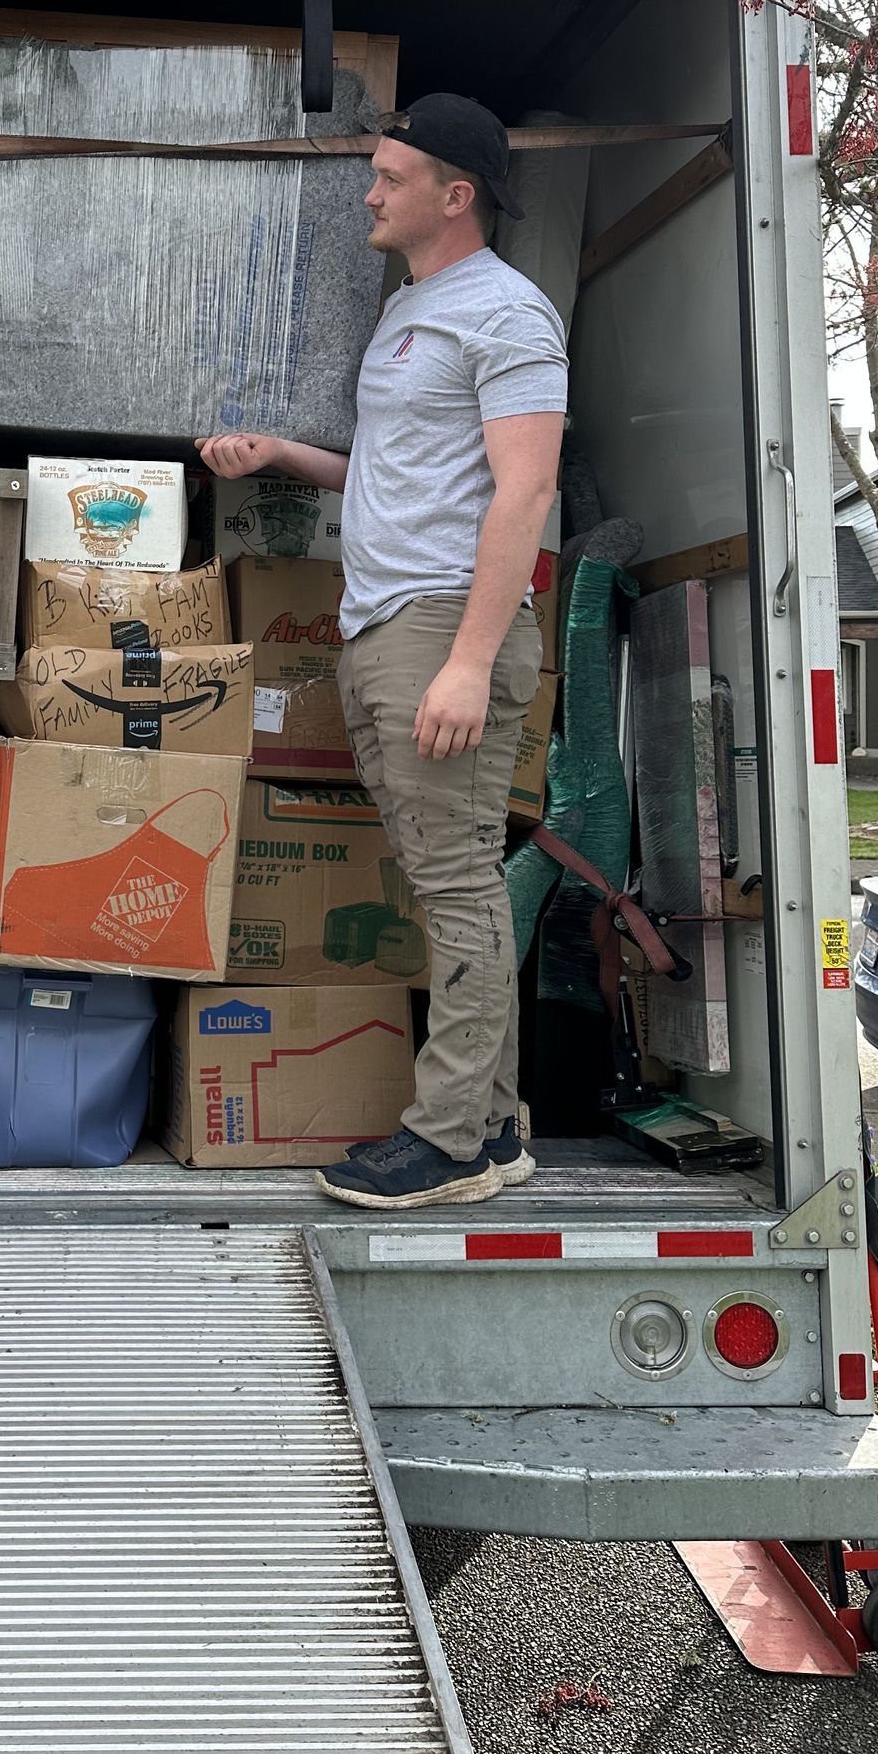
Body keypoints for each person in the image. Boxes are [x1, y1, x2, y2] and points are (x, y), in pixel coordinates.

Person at [200, 93, 566, 1209]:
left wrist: (468, 658)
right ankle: (493, 1126)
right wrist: (288, 456)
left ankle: (448, 1140)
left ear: (456, 196)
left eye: (390, 175)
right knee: (436, 874)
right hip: (386, 623)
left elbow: (527, 488)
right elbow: (405, 474)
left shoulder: (506, 313)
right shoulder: (417, 310)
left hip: (440, 627)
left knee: (455, 882)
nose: (370, 190)